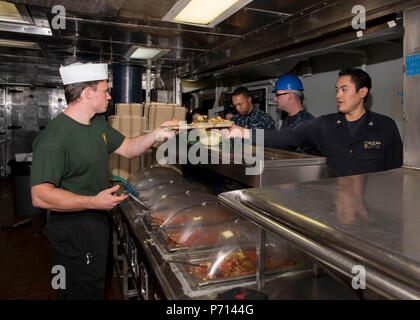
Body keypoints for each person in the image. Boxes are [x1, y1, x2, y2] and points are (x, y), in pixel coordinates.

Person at [29, 62, 176, 300]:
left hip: (96, 220)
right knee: (78, 291)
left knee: (96, 284)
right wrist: (93, 201)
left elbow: (128, 148)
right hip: (73, 229)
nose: (109, 96)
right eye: (105, 90)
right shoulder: (54, 138)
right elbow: (40, 195)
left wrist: (156, 134)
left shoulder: (97, 124)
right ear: (88, 93)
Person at [223, 68, 403, 177]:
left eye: (344, 89)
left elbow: (396, 172)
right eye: (336, 90)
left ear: (362, 92)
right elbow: (285, 137)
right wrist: (243, 133)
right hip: (335, 204)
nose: (338, 95)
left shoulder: (385, 126)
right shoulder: (325, 125)